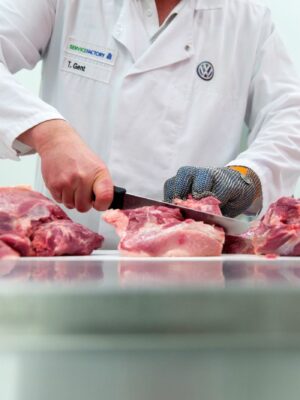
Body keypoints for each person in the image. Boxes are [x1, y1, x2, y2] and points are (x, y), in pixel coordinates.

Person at [0, 0, 300, 248]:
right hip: (70, 260)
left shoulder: (247, 18)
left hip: (192, 269)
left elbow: (288, 116)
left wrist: (248, 175)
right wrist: (49, 134)